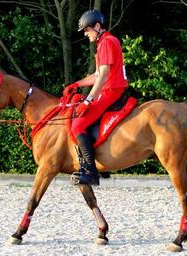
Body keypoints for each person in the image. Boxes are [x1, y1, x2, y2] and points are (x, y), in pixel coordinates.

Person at [66, 10, 128, 186]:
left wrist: (89, 99)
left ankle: (91, 172)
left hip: (111, 91)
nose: (86, 34)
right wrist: (76, 85)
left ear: (98, 26)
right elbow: (97, 75)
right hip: (108, 89)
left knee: (78, 125)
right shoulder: (103, 43)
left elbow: (104, 74)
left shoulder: (107, 42)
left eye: (87, 30)